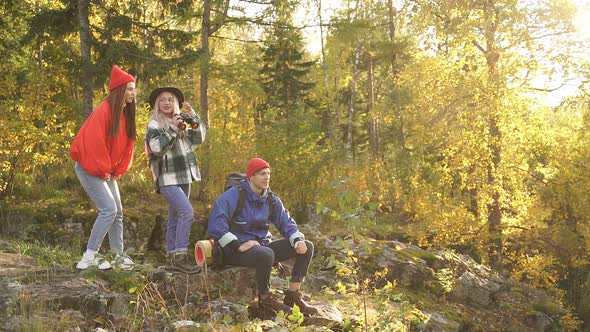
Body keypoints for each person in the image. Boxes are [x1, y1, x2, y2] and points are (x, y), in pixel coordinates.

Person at [207, 158, 318, 316]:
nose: (267, 177)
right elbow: (216, 225)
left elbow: (286, 222)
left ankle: (292, 295)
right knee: (266, 253)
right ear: (250, 176)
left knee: (307, 247)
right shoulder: (233, 195)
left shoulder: (271, 199)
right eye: (262, 174)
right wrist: (238, 244)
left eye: (268, 174)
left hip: (260, 248)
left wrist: (297, 240)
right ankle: (265, 300)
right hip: (235, 250)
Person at [70, 65, 137, 270]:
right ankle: (89, 256)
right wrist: (104, 170)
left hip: (105, 169)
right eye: (130, 89)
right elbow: (93, 143)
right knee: (109, 209)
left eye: (134, 89)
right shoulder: (104, 110)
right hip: (89, 167)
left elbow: (127, 147)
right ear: (119, 91)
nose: (134, 93)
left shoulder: (125, 114)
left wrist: (116, 170)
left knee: (118, 212)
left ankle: (117, 256)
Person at [145, 87, 206, 274]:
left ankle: (172, 256)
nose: (166, 103)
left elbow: (198, 139)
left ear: (176, 103)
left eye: (170, 100)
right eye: (162, 100)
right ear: (157, 104)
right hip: (166, 176)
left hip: (184, 175)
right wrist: (172, 127)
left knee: (175, 215)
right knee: (187, 212)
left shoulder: (181, 121)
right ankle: (180, 256)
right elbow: (156, 148)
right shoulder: (155, 124)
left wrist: (193, 117)